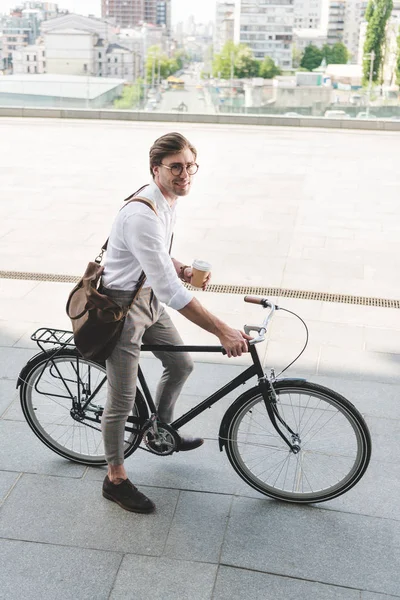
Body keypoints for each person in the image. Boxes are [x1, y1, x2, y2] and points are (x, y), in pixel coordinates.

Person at [100, 132, 251, 514]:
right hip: (121, 309)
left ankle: (159, 431)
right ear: (156, 170)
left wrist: (179, 264)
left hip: (145, 295)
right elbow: (173, 292)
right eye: (176, 167)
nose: (185, 174)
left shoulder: (166, 200)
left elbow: (155, 259)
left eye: (189, 166)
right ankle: (115, 478)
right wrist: (222, 330)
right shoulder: (141, 214)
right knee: (121, 399)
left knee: (181, 363)